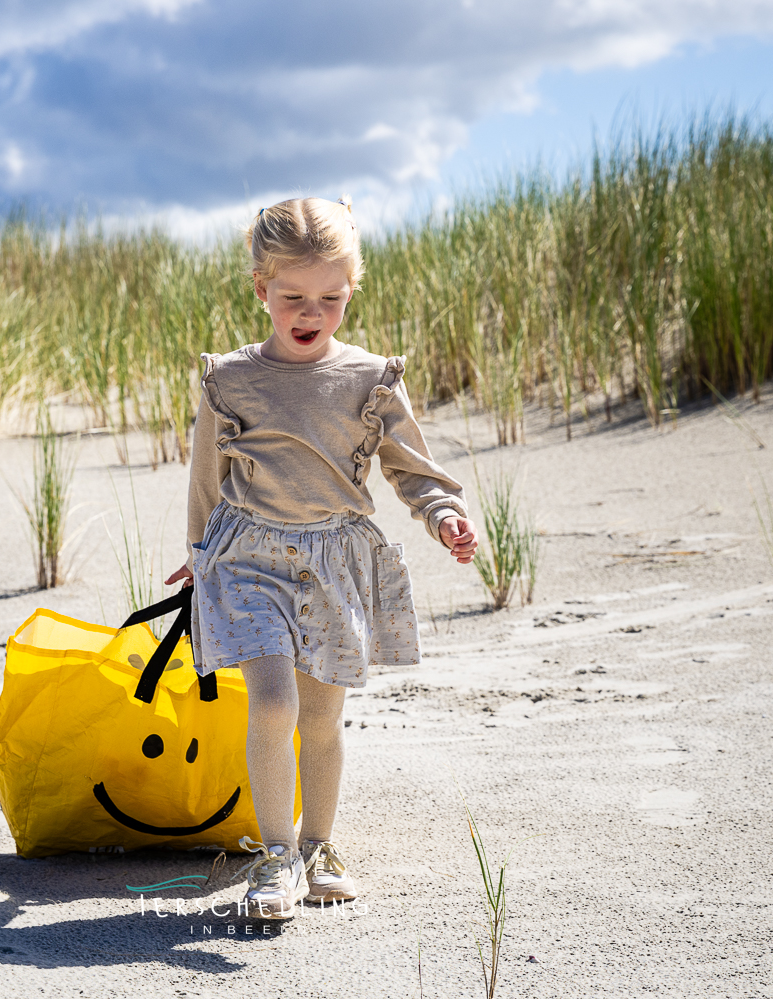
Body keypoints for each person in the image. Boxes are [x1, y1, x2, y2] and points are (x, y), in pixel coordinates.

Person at [163, 196, 477, 920]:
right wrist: (199, 552)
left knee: (321, 718)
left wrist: (445, 514)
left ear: (351, 291)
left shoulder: (370, 377)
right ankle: (273, 858)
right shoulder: (230, 379)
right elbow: (207, 477)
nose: (311, 312)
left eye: (330, 299)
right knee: (273, 702)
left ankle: (317, 846)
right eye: (293, 296)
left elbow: (411, 468)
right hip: (249, 558)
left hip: (337, 558)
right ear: (260, 288)